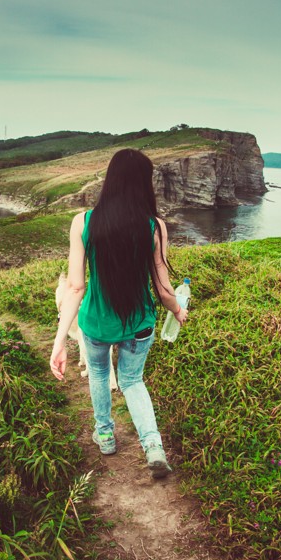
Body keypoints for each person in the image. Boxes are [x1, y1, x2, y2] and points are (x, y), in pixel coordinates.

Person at [50, 148, 188, 479]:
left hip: (96, 323)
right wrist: (178, 311)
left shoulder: (82, 222)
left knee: (99, 374)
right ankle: (153, 446)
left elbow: (75, 288)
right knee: (131, 381)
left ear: (110, 180)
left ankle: (107, 436)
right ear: (143, 184)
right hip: (139, 324)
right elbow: (163, 287)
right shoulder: (155, 226)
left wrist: (58, 341)